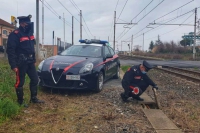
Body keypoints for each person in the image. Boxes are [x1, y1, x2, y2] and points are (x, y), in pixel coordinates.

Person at [6, 15, 44, 106]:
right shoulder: (15, 34)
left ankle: (34, 98)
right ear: (22, 23)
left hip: (30, 61)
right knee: (20, 82)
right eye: (27, 23)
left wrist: (34, 59)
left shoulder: (30, 34)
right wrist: (13, 65)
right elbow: (10, 50)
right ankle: (20, 102)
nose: (28, 25)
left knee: (35, 79)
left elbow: (32, 48)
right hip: (20, 62)